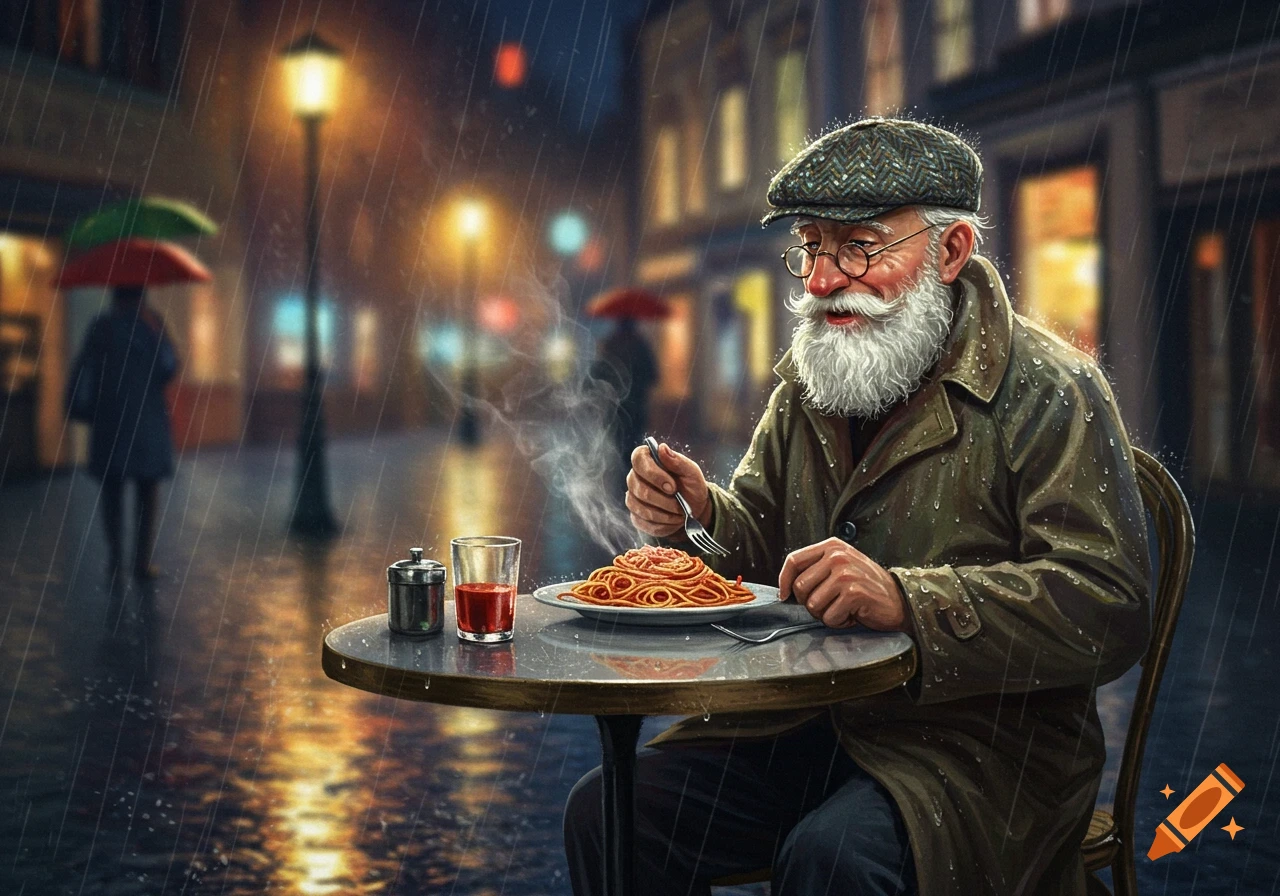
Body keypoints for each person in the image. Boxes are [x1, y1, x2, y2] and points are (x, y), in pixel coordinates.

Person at [564, 118, 1151, 895]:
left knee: (834, 856)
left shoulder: (1052, 389)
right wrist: (699, 517)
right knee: (608, 812)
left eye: (860, 248)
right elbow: (759, 545)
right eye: (812, 247)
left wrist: (908, 600)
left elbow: (1108, 604)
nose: (821, 280)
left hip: (980, 751)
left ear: (950, 252)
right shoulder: (811, 382)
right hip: (805, 723)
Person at [68, 284, 180, 581]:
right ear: (142, 297)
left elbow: (85, 368)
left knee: (112, 493)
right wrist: (160, 329)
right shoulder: (150, 327)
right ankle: (141, 562)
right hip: (147, 425)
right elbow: (169, 367)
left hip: (110, 422)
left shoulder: (101, 327)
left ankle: (116, 560)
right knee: (147, 493)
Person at [593, 316, 658, 469]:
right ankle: (635, 476)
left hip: (616, 408)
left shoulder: (610, 345)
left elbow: (599, 373)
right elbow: (653, 375)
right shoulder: (641, 345)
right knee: (635, 445)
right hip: (637, 407)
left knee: (619, 448)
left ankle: (623, 481)